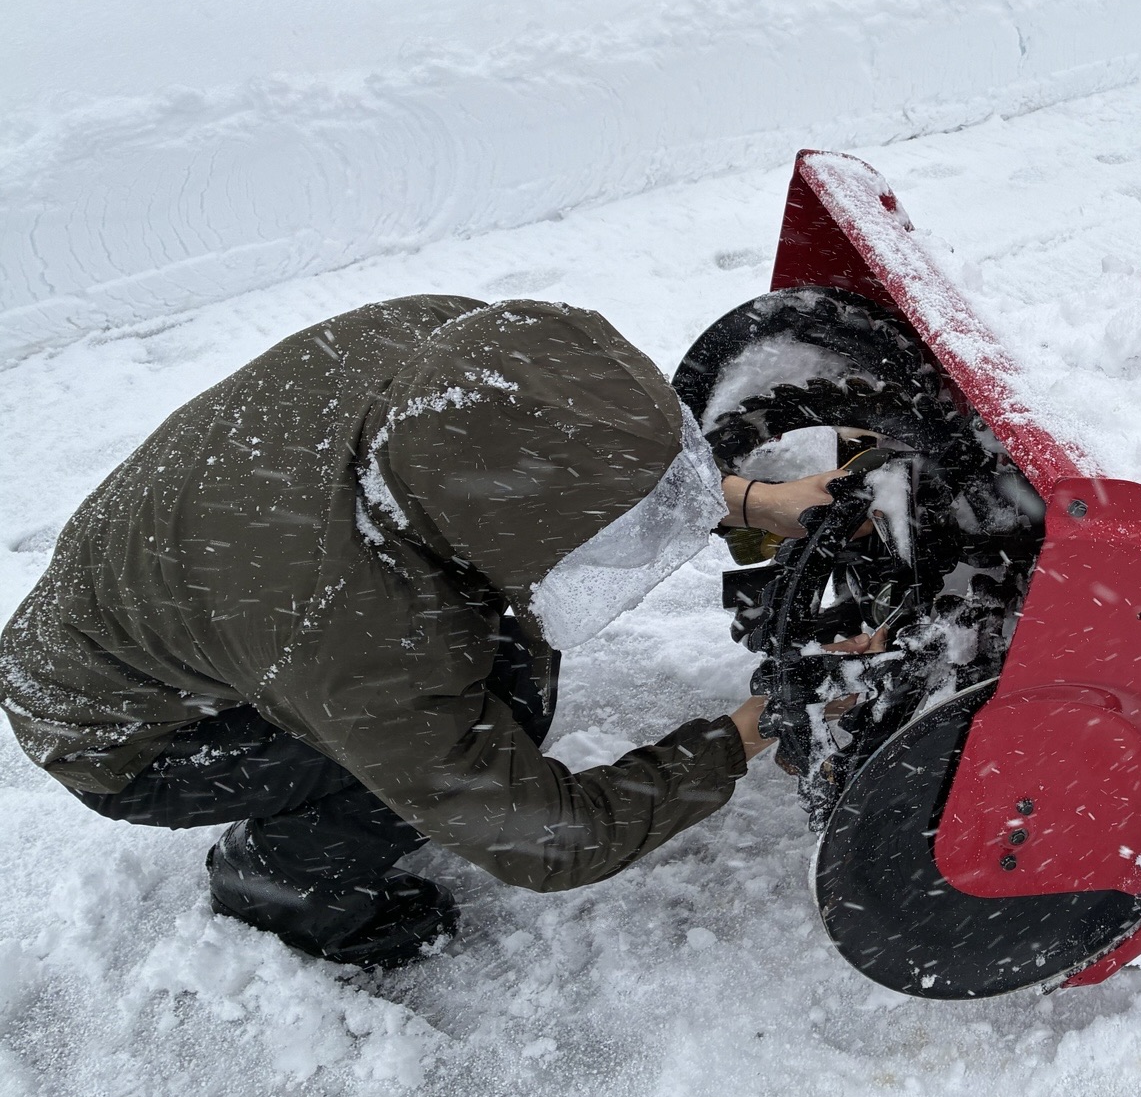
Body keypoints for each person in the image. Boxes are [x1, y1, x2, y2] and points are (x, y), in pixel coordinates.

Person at [0, 295, 838, 967]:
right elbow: (552, 841)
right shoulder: (359, 636)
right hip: (122, 738)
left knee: (491, 671)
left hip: (179, 605)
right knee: (478, 716)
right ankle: (282, 885)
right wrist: (747, 730)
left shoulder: (457, 355)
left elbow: (576, 447)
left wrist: (748, 501)